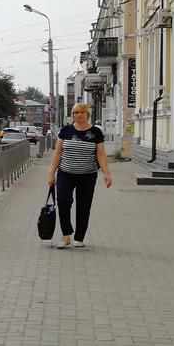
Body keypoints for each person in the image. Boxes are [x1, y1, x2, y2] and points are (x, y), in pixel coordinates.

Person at [46, 102, 112, 249]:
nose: (78, 115)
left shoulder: (96, 132)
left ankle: (79, 237)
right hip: (65, 173)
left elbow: (100, 154)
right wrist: (51, 172)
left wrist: (106, 173)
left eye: (81, 112)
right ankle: (66, 235)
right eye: (75, 113)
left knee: (83, 206)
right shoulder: (66, 131)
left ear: (87, 114)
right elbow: (58, 153)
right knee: (63, 202)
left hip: (87, 176)